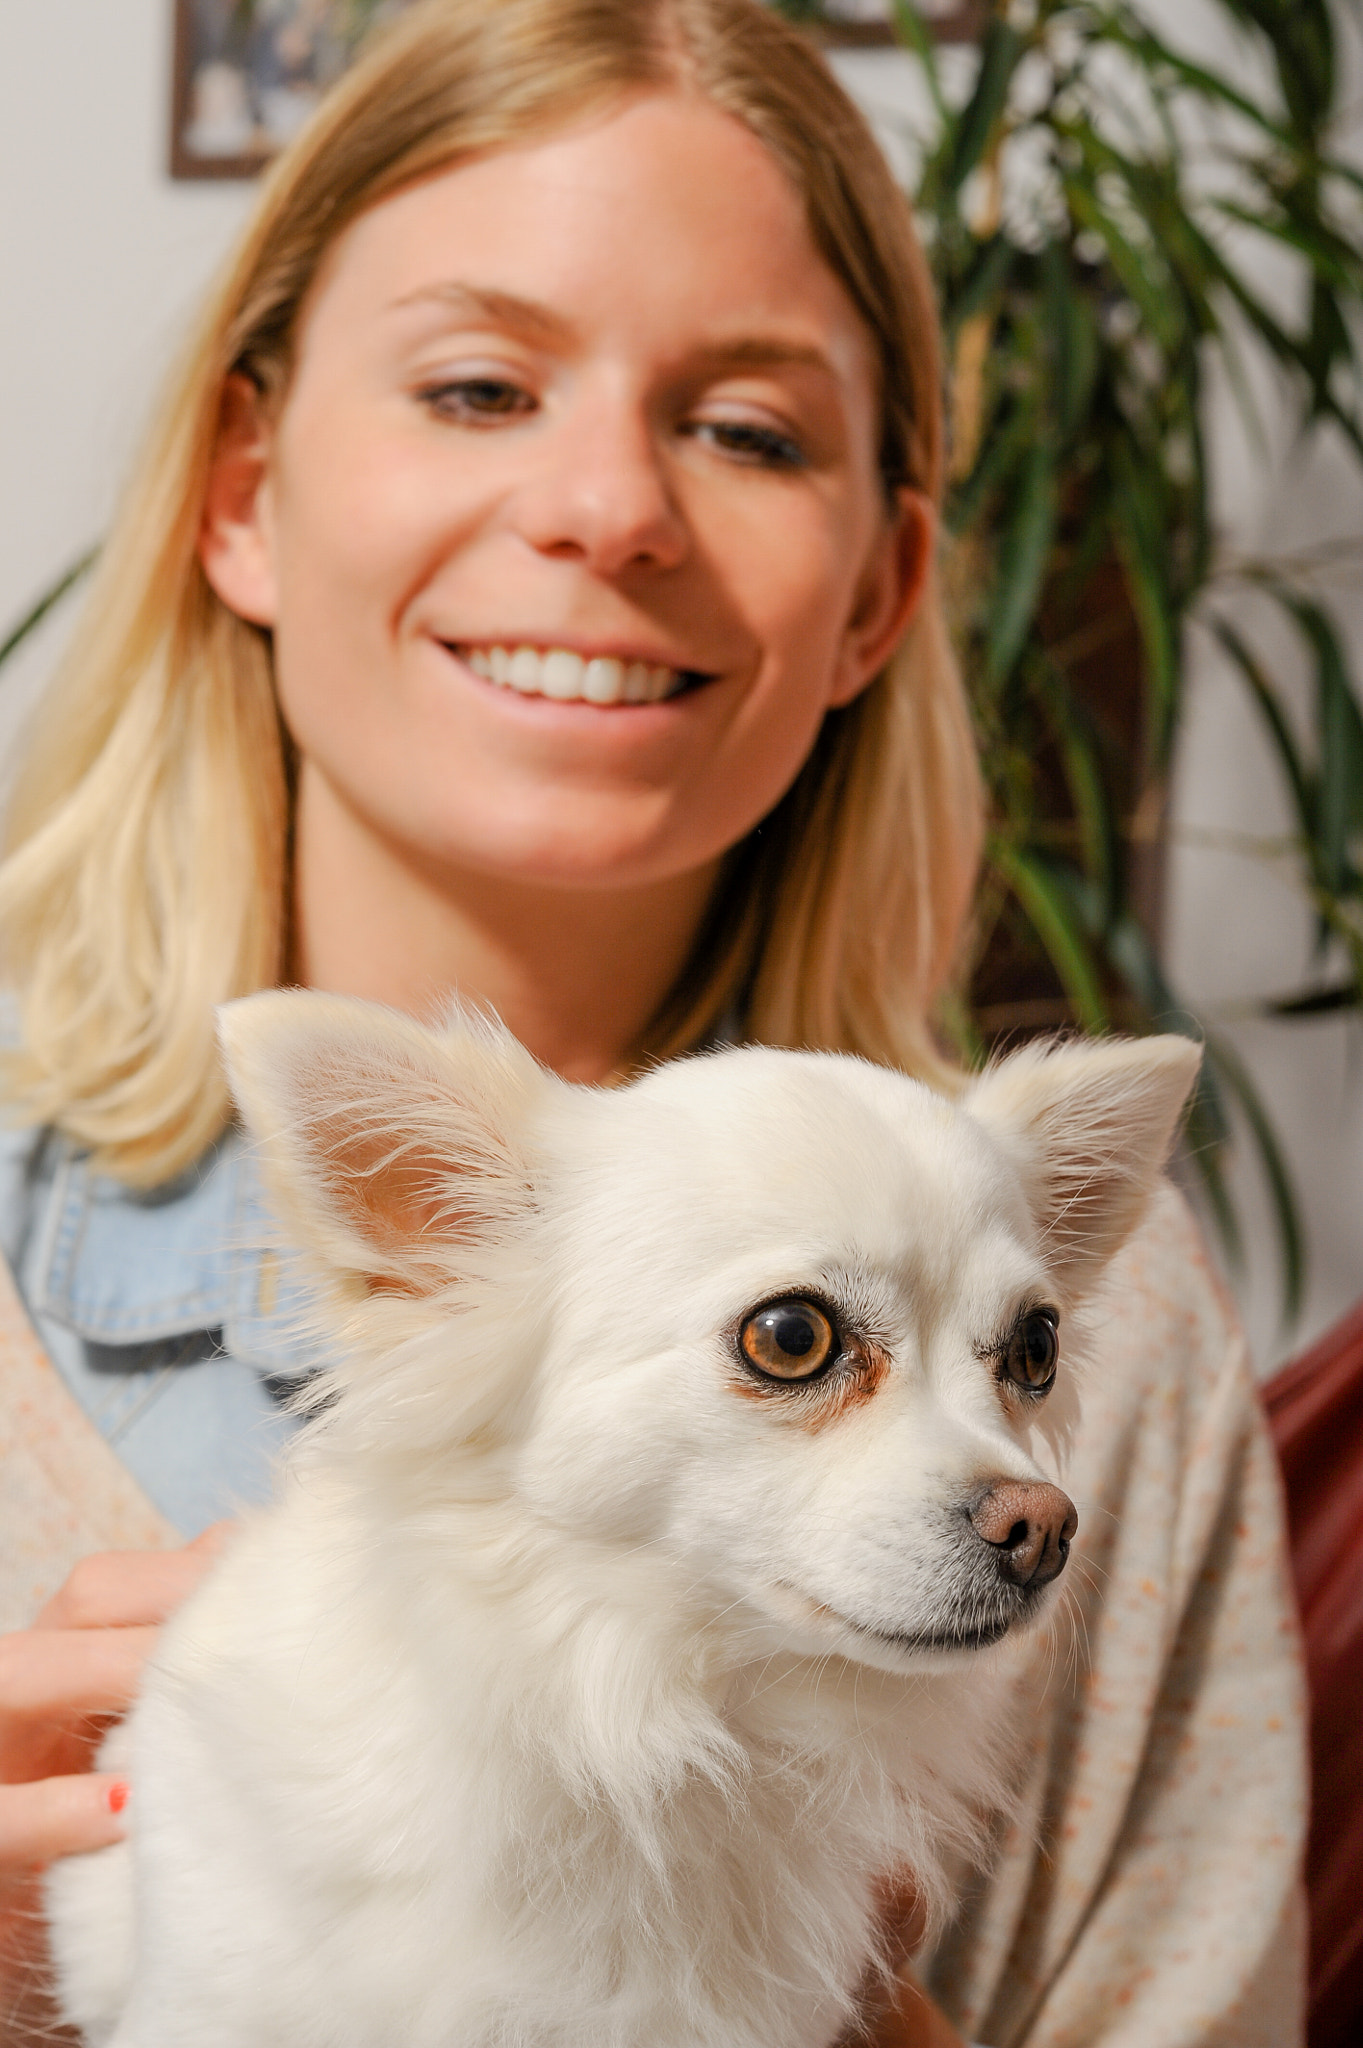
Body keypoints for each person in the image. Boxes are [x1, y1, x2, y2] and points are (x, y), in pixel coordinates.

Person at [0, 1, 1308, 2042]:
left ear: (878, 591)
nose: (608, 507)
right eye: (477, 383)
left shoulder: (1100, 1322)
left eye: (750, 429)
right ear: (241, 494)